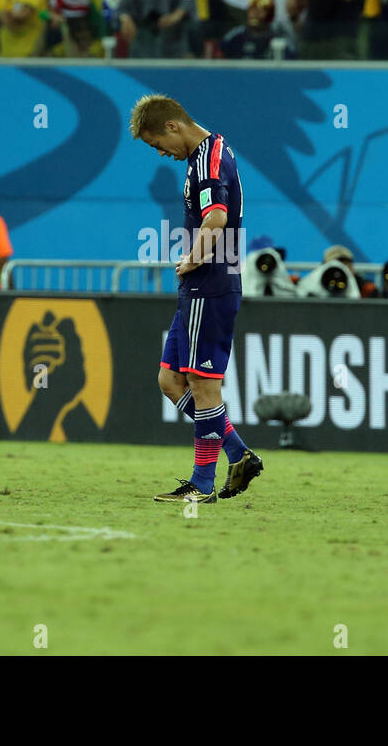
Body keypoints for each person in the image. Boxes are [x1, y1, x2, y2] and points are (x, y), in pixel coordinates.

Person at [130, 94, 260, 503]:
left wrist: (194, 258)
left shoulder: (207, 158)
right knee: (170, 380)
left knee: (204, 386)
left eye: (157, 144)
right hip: (200, 289)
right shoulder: (208, 153)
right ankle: (238, 454)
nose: (161, 153)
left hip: (211, 284)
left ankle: (201, 483)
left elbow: (217, 217)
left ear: (172, 126)